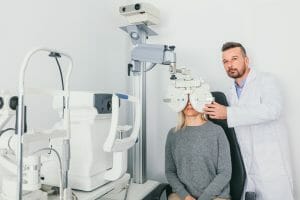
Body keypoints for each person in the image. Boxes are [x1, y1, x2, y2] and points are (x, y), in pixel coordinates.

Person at [204, 42, 294, 200]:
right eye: (225, 61)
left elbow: (273, 110)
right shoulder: (230, 94)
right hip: (248, 167)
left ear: (246, 60)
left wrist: (228, 113)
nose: (230, 64)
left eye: (234, 58)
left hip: (271, 165)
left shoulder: (267, 81)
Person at [165, 98, 232, 200]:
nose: (189, 104)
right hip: (183, 196)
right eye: (184, 99)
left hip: (215, 196)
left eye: (193, 99)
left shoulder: (217, 132)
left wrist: (204, 198)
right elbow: (170, 171)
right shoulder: (173, 134)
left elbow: (225, 173)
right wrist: (185, 196)